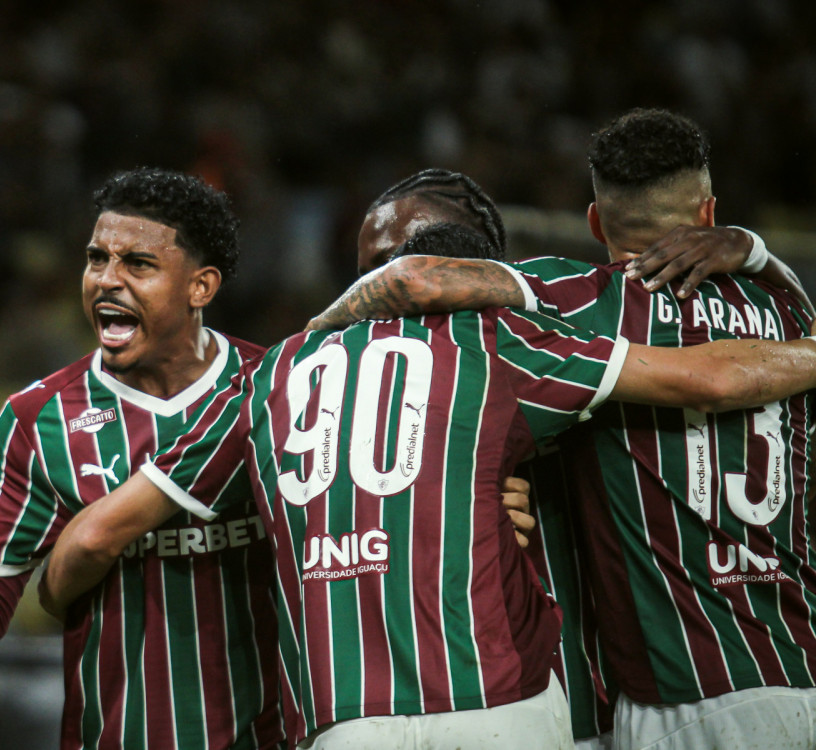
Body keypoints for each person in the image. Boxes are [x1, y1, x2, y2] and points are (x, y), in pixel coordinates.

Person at [40, 219, 816, 749]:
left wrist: (52, 594)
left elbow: (94, 535)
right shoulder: (501, 338)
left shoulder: (270, 373)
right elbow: (711, 379)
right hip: (498, 704)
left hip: (343, 721)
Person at [306, 108, 816, 749]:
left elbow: (416, 279)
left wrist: (304, 348)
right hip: (801, 663)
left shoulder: (576, 308)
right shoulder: (791, 310)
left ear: (596, 223)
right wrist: (753, 247)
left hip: (683, 692)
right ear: (709, 215)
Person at [0, 167, 286, 750]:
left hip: (273, 738)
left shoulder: (283, 390)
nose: (107, 280)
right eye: (96, 258)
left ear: (200, 287)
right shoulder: (38, 419)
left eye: (138, 264)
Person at [352, 168, 617, 748]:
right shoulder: (355, 401)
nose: (391, 282)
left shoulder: (558, 345)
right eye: (368, 271)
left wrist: (755, 252)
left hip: (584, 704)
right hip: (434, 710)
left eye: (404, 257)